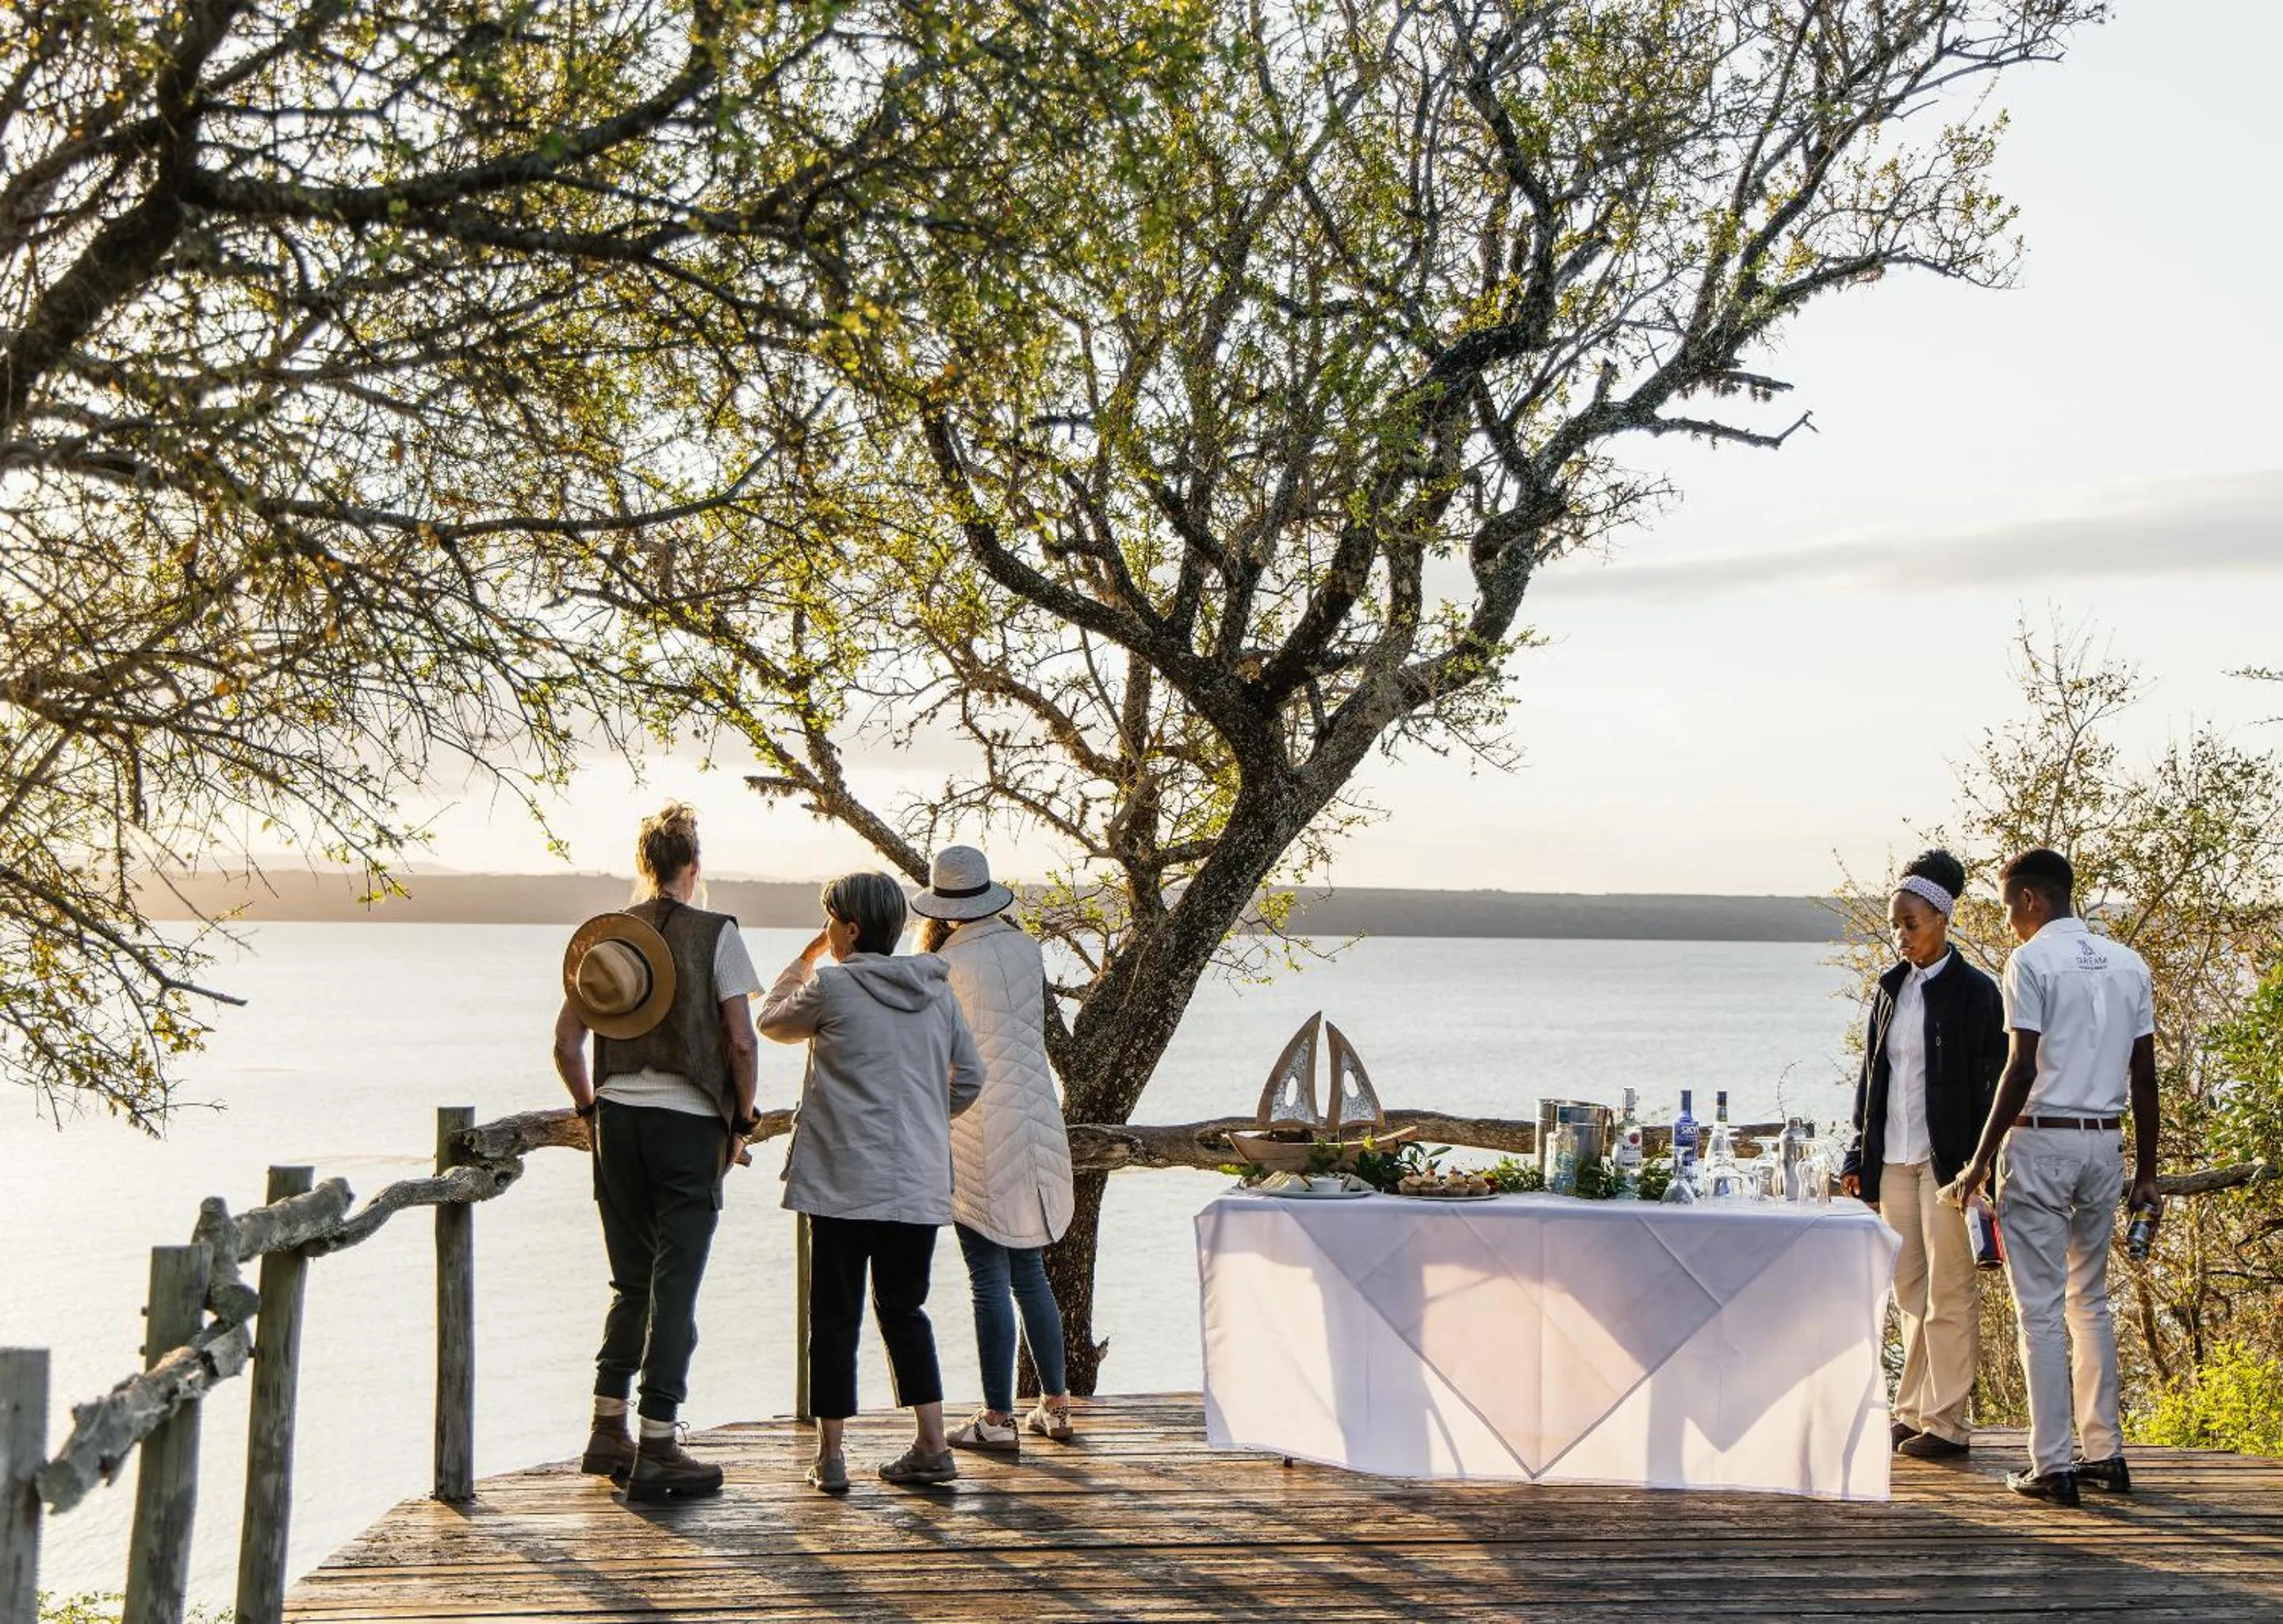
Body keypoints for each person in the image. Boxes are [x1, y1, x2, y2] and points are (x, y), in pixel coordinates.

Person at [552, 802, 761, 1502]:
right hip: (688, 1125)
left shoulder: (607, 942)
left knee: (631, 1282)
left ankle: (607, 1427)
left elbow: (565, 1044)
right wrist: (743, 1121)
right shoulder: (716, 934)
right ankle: (661, 1443)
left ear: (644, 867)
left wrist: (590, 1112)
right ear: (693, 870)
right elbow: (740, 1039)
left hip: (616, 1124)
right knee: (676, 1288)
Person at [1941, 848, 2160, 1507]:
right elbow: (2143, 1076)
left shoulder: (2030, 961)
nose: (2009, 921)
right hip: (2104, 1145)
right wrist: (2146, 1172)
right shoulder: (2128, 964)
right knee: (2088, 1301)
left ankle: (2051, 1464)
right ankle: (2104, 1453)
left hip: (2042, 1143)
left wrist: (1979, 1161)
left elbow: (2019, 1067)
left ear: (2030, 900)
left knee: (2037, 1308)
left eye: (2009, 906)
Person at [759, 871, 984, 1494]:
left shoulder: (832, 988)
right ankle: (932, 1445)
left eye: (829, 921)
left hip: (841, 1181)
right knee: (906, 1312)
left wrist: (803, 961)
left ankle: (831, 1460)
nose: (826, 932)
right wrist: (921, 1117)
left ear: (850, 929)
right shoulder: (937, 992)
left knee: (834, 1318)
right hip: (914, 1182)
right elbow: (970, 1079)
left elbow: (772, 1021)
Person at [911, 846, 1079, 1454]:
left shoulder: (940, 963)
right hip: (1036, 1115)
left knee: (987, 1275)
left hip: (976, 1120)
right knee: (1030, 1270)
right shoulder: (1023, 947)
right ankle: (1055, 1406)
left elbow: (935, 1050)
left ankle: (996, 1419)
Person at [1840, 849, 2007, 1460]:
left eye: (1910, 923)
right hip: (1893, 1159)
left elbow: (1995, 1085)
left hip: (1950, 1168)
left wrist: (1979, 1168)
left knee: (1951, 1294)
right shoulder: (1889, 991)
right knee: (1909, 1290)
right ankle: (1911, 1410)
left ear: (1940, 918)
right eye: (1894, 925)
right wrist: (1858, 1154)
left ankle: (1946, 1423)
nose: (1900, 935)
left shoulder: (1976, 994)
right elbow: (1870, 1079)